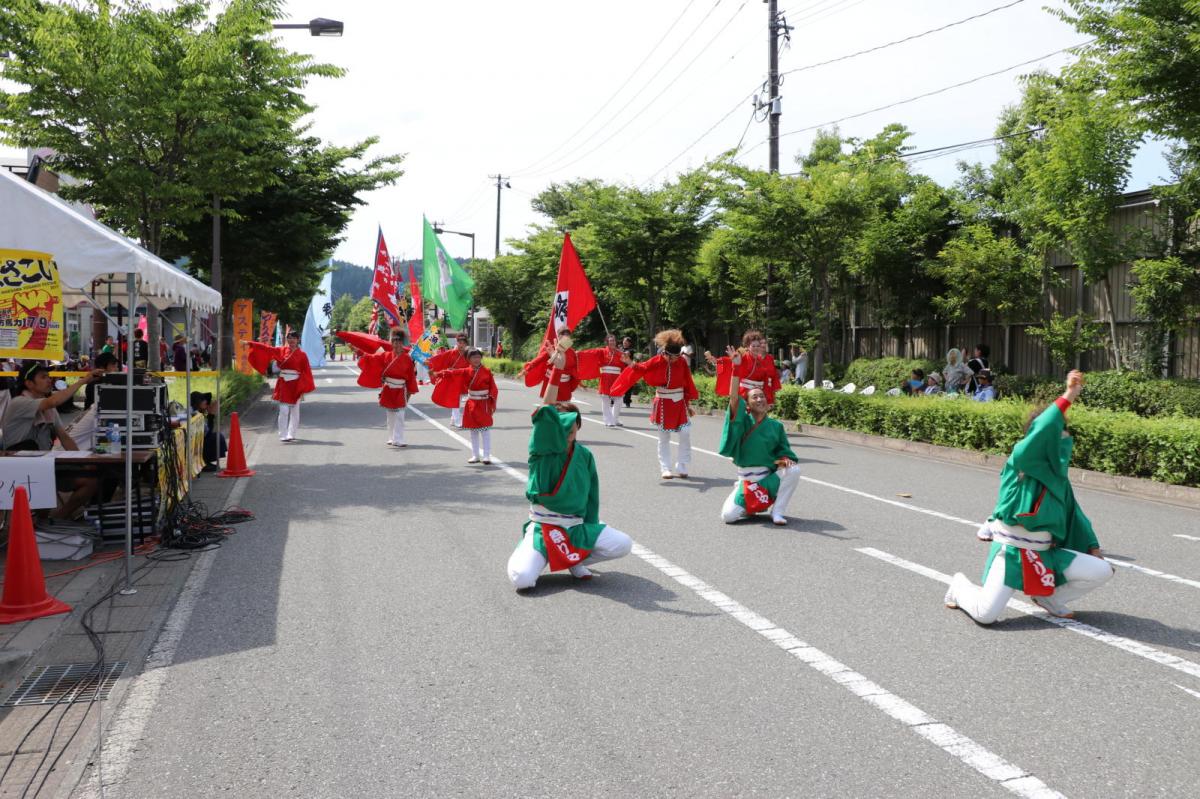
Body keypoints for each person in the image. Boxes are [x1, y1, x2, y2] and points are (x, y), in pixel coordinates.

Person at [945, 371, 1113, 623]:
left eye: (1064, 435)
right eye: (1057, 435)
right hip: (1011, 553)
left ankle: (1051, 597)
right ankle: (958, 587)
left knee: (1102, 570)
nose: (1063, 441)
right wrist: (1069, 395)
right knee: (985, 614)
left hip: (1045, 555)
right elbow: (1044, 428)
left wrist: (1093, 547)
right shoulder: (1020, 461)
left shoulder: (1058, 479)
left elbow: (1074, 515)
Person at [505, 347, 633, 590]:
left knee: (623, 544)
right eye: (564, 425)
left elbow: (591, 497)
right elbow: (545, 411)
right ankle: (534, 552)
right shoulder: (543, 448)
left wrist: (590, 526)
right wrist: (557, 370)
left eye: (574, 426)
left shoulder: (584, 455)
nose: (569, 431)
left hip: (575, 529)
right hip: (545, 528)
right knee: (522, 580)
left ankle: (575, 559)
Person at [4, 361, 103, 519]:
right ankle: (42, 524)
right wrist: (84, 380)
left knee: (91, 480)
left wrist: (82, 461)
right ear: (29, 383)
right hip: (20, 468)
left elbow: (64, 437)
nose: (49, 380)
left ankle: (57, 520)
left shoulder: (49, 408)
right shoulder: (19, 403)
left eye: (49, 377)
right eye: (43, 377)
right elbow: (53, 401)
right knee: (43, 492)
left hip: (45, 466)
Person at [718, 346, 802, 526]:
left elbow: (785, 453)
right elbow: (733, 398)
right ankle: (751, 504)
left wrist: (783, 461)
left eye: (762, 396)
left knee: (794, 469)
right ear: (747, 404)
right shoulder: (743, 420)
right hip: (746, 481)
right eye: (754, 397)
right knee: (728, 517)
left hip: (767, 478)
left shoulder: (776, 426)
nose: (759, 399)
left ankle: (777, 511)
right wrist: (736, 368)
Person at [609, 329, 698, 479]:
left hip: (679, 402)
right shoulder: (656, 360)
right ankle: (665, 467)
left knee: (685, 432)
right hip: (663, 402)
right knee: (664, 436)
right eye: (672, 357)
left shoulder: (682, 362)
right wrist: (630, 362)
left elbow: (687, 382)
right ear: (665, 353)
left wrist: (688, 403)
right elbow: (642, 368)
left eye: (677, 356)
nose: (675, 359)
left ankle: (682, 464)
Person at [246, 330, 316, 442]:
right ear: (287, 340)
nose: (291, 340)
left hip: (296, 384)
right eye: (289, 338)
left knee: (295, 411)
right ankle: (283, 434)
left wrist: (303, 387)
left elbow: (306, 371)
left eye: (294, 338)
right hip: (284, 383)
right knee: (283, 410)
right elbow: (267, 348)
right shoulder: (281, 350)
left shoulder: (302, 355)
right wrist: (251, 343)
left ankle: (291, 433)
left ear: (298, 340)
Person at [356, 329, 419, 447]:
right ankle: (391, 437)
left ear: (402, 344)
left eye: (399, 342)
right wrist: (360, 352)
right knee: (390, 415)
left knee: (400, 415)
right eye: (394, 342)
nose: (396, 345)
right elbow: (372, 359)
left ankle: (399, 439)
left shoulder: (407, 359)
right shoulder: (386, 355)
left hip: (400, 389)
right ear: (392, 344)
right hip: (388, 388)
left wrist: (410, 392)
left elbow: (411, 377)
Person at [434, 348, 498, 464]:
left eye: (478, 357)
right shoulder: (465, 371)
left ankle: (487, 455)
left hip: (484, 404)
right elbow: (452, 373)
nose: (477, 359)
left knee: (485, 430)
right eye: (474, 357)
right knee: (473, 431)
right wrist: (438, 373)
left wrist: (491, 401)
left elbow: (493, 388)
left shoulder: (487, 371)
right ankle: (475, 455)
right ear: (468, 359)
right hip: (472, 403)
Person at [61, 354, 121, 450]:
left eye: (117, 366)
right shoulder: (96, 386)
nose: (117, 369)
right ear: (102, 368)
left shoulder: (104, 384)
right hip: (90, 434)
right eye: (113, 365)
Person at [707, 330, 783, 405]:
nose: (756, 348)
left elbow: (769, 377)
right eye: (753, 346)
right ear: (748, 346)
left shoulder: (764, 359)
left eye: (758, 346)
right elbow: (731, 363)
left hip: (759, 397)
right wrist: (717, 361)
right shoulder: (743, 357)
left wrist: (769, 397)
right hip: (744, 395)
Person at [577, 333, 632, 427]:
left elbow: (627, 365)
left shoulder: (620, 353)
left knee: (619, 400)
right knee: (605, 399)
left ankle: (615, 418)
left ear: (616, 342)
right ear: (607, 342)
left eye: (613, 340)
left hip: (616, 378)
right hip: (605, 378)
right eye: (610, 341)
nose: (612, 342)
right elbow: (591, 353)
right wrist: (579, 353)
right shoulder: (602, 351)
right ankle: (608, 420)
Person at [522, 326, 580, 402]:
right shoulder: (551, 349)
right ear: (558, 336)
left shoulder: (572, 353)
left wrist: (578, 380)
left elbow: (576, 369)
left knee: (564, 407)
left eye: (567, 335)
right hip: (551, 381)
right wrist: (527, 369)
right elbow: (538, 360)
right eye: (562, 335)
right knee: (549, 406)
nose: (565, 338)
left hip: (564, 384)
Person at [427, 333, 470, 427]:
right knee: (455, 399)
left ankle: (453, 419)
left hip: (463, 378)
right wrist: (429, 361)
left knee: (460, 399)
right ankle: (458, 420)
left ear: (466, 344)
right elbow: (439, 359)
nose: (461, 345)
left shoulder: (468, 354)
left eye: (463, 343)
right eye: (459, 342)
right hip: (452, 379)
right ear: (457, 343)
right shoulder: (451, 353)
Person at [189, 391, 227, 472]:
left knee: (216, 436)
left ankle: (205, 462)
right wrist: (211, 415)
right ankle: (204, 462)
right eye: (204, 401)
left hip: (193, 441)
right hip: (192, 443)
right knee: (216, 438)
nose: (207, 403)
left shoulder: (193, 410)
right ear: (199, 401)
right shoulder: (194, 413)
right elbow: (207, 434)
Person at [620, 336, 636, 408]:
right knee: (618, 385)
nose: (624, 343)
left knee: (628, 386)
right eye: (624, 342)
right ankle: (613, 400)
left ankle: (627, 401)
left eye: (626, 342)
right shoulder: (620, 349)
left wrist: (618, 351)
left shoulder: (631, 350)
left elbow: (626, 354)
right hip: (620, 370)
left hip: (628, 370)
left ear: (629, 343)